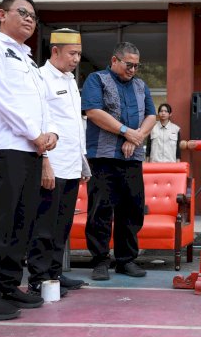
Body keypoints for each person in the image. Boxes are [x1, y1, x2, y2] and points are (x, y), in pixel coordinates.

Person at [0, 0, 58, 321]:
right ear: (2, 14)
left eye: (34, 15)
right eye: (23, 12)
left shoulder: (29, 61)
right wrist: (33, 133)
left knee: (23, 223)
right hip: (6, 147)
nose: (30, 19)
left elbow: (43, 105)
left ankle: (6, 285)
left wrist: (50, 135)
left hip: (32, 150)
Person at [81, 42, 156, 280]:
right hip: (103, 156)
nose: (133, 69)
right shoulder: (97, 79)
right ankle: (100, 260)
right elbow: (93, 112)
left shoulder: (141, 86)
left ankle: (126, 260)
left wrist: (135, 139)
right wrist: (126, 131)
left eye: (136, 65)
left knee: (132, 209)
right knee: (100, 209)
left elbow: (151, 115)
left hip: (131, 157)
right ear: (115, 60)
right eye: (129, 64)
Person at [26, 28, 91, 297]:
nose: (76, 59)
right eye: (72, 53)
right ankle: (38, 278)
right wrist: (44, 162)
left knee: (62, 224)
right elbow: (39, 123)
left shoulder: (69, 80)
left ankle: (54, 273)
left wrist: (83, 160)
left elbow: (74, 125)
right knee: (44, 225)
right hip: (52, 165)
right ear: (55, 51)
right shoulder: (41, 78)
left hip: (72, 165)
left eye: (78, 54)